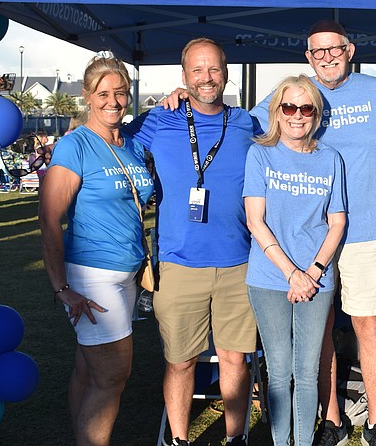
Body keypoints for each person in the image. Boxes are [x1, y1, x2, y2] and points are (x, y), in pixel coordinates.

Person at [250, 20, 376, 446]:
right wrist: (180, 99)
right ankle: (331, 418)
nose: (326, 57)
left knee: (367, 326)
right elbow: (243, 126)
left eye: (334, 49)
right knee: (317, 332)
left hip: (365, 231)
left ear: (349, 49)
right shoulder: (295, 93)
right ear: (307, 57)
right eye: (317, 51)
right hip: (309, 240)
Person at [124, 38, 261, 446]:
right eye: (197, 70)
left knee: (236, 359)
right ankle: (179, 440)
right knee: (180, 361)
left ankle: (236, 437)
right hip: (178, 264)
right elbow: (108, 138)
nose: (206, 78)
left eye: (214, 69)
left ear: (226, 74)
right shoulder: (157, 120)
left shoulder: (246, 124)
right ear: (184, 77)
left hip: (239, 263)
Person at [39, 52, 154, 446]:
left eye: (120, 93)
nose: (113, 101)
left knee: (88, 372)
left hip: (127, 273)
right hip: (92, 277)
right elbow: (49, 219)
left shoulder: (131, 144)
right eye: (103, 93)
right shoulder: (75, 146)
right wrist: (61, 288)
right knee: (112, 377)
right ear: (87, 96)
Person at [244, 75, 347, 446]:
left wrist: (314, 272)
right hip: (270, 278)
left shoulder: (330, 159)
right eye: (289, 107)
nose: (297, 115)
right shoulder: (260, 154)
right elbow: (255, 220)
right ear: (277, 112)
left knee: (306, 371)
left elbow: (337, 222)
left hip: (317, 280)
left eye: (306, 108)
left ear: (316, 115)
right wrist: (292, 274)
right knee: (279, 369)